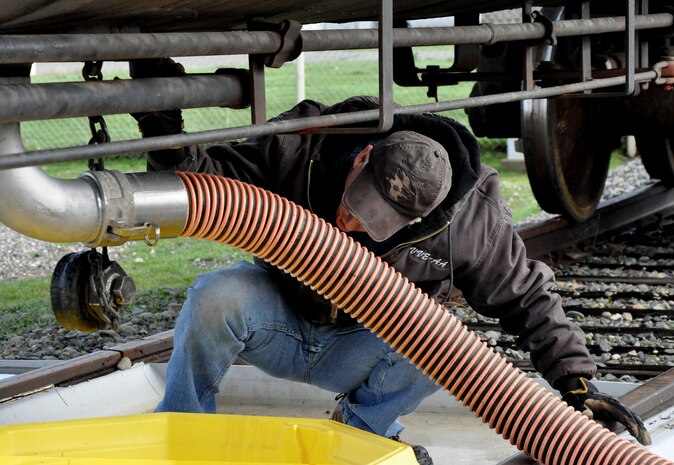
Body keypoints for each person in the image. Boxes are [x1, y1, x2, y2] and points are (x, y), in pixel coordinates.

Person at [131, 62, 649, 464]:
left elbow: (528, 299)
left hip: (366, 344)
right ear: (363, 156)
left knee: (445, 342)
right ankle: (182, 431)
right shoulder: (304, 145)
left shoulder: (473, 221)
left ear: (420, 217)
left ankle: (359, 436)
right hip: (281, 319)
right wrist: (166, 133)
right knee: (214, 295)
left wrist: (578, 384)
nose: (351, 226)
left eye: (374, 223)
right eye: (356, 207)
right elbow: (208, 183)